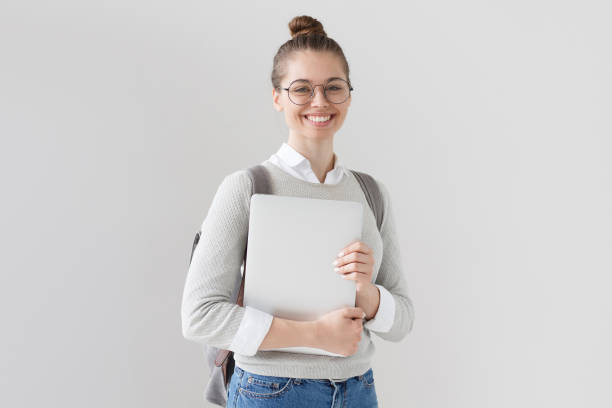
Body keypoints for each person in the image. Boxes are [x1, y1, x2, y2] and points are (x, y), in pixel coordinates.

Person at [181, 15, 415, 408]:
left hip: (358, 390)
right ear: (277, 97)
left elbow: (403, 320)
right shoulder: (247, 188)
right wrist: (314, 335)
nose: (319, 102)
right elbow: (200, 316)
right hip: (272, 392)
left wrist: (366, 294)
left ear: (349, 96)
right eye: (301, 89)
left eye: (333, 88)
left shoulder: (371, 194)